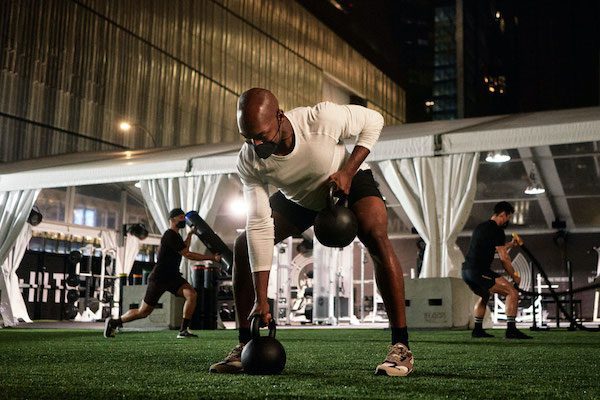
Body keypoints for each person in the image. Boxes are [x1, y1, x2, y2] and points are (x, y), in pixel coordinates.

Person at [209, 88, 413, 377]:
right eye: (248, 138)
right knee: (243, 245)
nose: (256, 144)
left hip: (345, 180)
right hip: (299, 198)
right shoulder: (249, 160)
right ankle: (244, 346)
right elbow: (259, 224)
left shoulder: (321, 119)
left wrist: (348, 171)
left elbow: (374, 121)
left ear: (280, 117)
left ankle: (401, 346)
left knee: (375, 232)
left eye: (262, 135)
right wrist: (262, 298)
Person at [104, 208, 221, 339]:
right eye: (181, 217)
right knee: (144, 312)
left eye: (184, 217)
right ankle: (114, 322)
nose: (184, 220)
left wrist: (190, 234)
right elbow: (187, 254)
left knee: (192, 294)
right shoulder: (169, 235)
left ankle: (183, 330)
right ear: (172, 220)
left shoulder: (176, 236)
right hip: (159, 278)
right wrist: (211, 258)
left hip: (173, 277)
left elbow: (184, 248)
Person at [461, 201, 532, 339]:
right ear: (503, 214)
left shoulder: (481, 227)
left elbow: (497, 247)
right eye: (508, 217)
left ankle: (477, 330)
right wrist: (514, 275)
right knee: (512, 292)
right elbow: (504, 258)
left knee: (485, 295)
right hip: (479, 271)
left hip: (466, 272)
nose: (508, 221)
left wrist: (511, 244)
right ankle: (511, 330)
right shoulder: (498, 230)